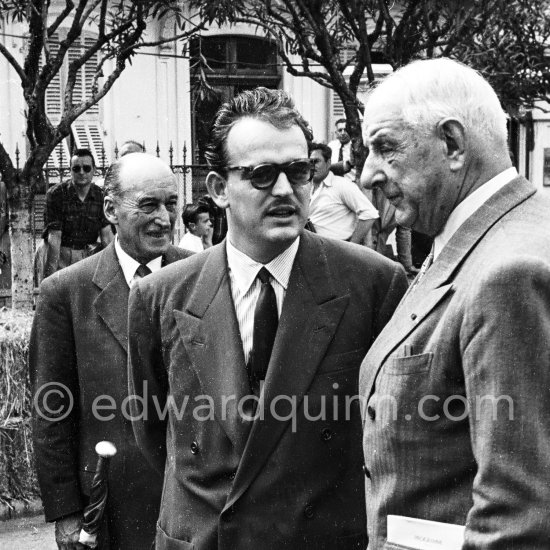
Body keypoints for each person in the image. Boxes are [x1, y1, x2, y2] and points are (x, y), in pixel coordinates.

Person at [128, 87, 407, 550]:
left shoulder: (372, 283)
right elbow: (154, 431)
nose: (284, 190)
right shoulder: (160, 295)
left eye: (298, 171)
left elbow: (390, 437)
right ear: (218, 189)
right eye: (261, 175)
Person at [359, 57, 550, 549]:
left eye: (385, 148)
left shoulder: (506, 273)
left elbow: (519, 518)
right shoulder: (492, 236)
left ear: (453, 143)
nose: (366, 176)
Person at [30, 153, 193, 550]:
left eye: (171, 204)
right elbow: (51, 411)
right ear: (110, 209)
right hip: (112, 508)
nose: (164, 218)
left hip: (193, 504)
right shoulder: (66, 292)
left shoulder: (200, 275)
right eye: (148, 205)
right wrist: (67, 510)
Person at [43, 148, 113, 278]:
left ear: (94, 170)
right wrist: (49, 279)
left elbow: (107, 237)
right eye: (76, 168)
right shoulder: (56, 194)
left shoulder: (101, 196)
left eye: (86, 168)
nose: (81, 172)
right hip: (61, 254)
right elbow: (54, 239)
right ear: (70, 170)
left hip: (89, 256)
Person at [309, 142, 378, 243]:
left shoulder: (341, 185)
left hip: (336, 249)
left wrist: (352, 245)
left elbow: (369, 213)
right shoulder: (306, 187)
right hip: (313, 248)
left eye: (316, 161)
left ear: (328, 163)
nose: (312, 166)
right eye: (310, 162)